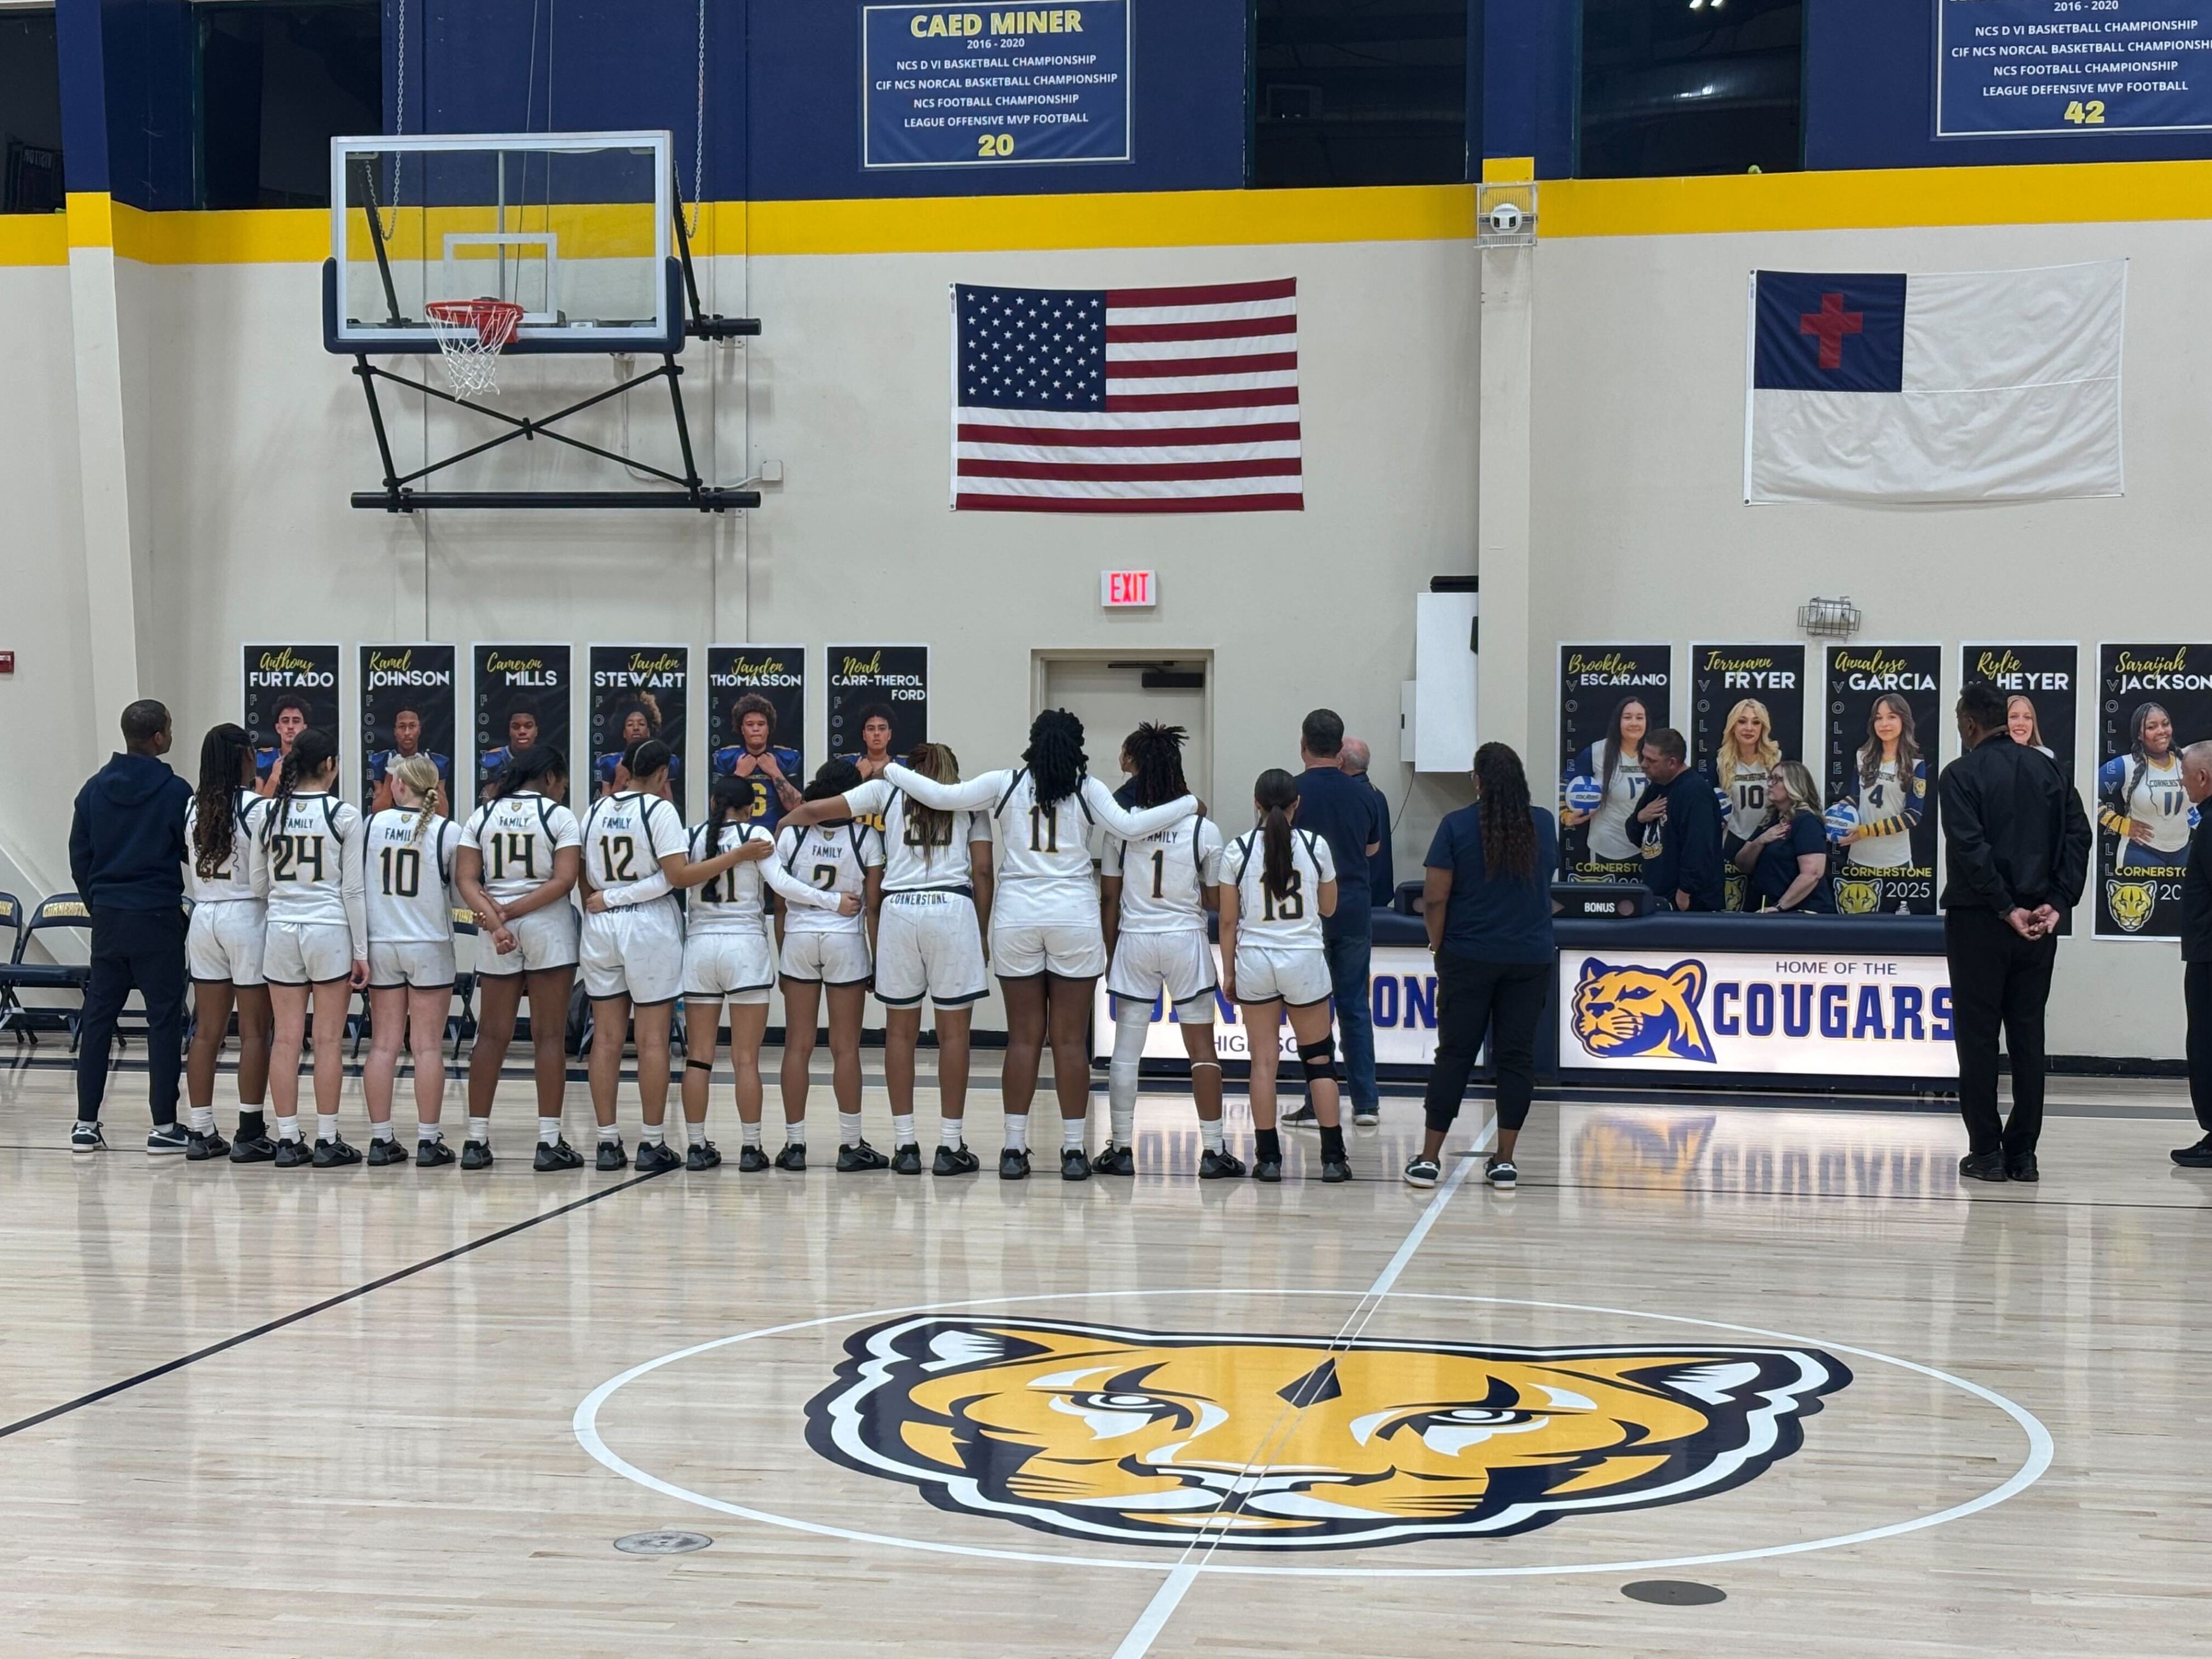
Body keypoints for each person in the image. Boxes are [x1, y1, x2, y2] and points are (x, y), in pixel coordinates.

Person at [861, 710, 1197, 1181]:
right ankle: (1075, 1152)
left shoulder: (1006, 782)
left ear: (1032, 744)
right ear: (1076, 747)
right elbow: (1129, 828)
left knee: (1023, 1039)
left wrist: (889, 770)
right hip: (1074, 918)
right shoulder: (1089, 786)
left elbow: (940, 794)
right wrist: (1188, 804)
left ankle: (1014, 1150)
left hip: (1017, 916)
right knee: (1068, 1042)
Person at [783, 744, 994, 1176]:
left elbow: (814, 811)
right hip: (952, 910)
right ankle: (950, 1145)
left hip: (899, 910)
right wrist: (982, 930)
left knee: (900, 1036)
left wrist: (787, 824)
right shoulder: (970, 801)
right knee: (954, 1036)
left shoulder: (885, 792)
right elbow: (984, 872)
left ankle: (905, 1145)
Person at [576, 740, 754, 1174]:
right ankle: (653, 1142)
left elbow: (581, 872)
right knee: (652, 1039)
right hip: (646, 925)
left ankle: (606, 1142)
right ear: (661, 776)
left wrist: (603, 900)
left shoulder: (594, 810)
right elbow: (674, 877)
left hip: (600, 925)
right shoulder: (659, 811)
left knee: (605, 1038)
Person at [1939, 680, 2091, 1185]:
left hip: (1982, 920)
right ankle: (2024, 1154)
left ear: (1969, 723)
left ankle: (1986, 1153)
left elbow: (1970, 848)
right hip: (2040, 922)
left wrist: (2005, 907)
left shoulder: (1960, 774)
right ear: (2006, 718)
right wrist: (2058, 901)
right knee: (2028, 1034)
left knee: (1979, 1039)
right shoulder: (2049, 768)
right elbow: (2080, 834)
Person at [1403, 743, 1555, 1192]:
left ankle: (1430, 1159)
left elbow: (1434, 896)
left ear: (1478, 780)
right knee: (1516, 1058)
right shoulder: (1543, 823)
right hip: (1529, 955)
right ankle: (1505, 1161)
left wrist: (1437, 944)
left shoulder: (1456, 825)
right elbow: (1544, 882)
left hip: (1468, 956)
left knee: (1454, 1055)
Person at [1098, 724, 1241, 1179]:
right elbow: (1217, 901)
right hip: (1185, 941)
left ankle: (1121, 1150)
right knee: (1202, 1050)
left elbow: (1108, 897)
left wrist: (1110, 950)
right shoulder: (1203, 827)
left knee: (1125, 1054)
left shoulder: (1121, 829)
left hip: (1136, 940)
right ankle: (1214, 1152)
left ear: (1137, 769)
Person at [67, 700, 194, 1154]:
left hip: (110, 920)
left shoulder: (93, 790)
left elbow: (79, 857)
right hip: (158, 917)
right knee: (163, 1021)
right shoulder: (177, 791)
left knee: (98, 1020)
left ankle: (85, 1124)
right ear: (159, 737)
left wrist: (99, 904)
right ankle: (164, 1126)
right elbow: (191, 852)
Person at [455, 745, 581, 1171]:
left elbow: (466, 879)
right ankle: (548, 1144)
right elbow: (565, 881)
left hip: (498, 932)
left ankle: (475, 1141)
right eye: (563, 783)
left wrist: (496, 920)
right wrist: (513, 913)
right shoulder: (559, 817)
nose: (563, 791)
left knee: (490, 1035)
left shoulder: (483, 815)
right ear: (550, 777)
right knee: (549, 1037)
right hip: (547, 926)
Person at [1221, 768, 1349, 1184]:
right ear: (1298, 804)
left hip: (1256, 961)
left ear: (1256, 804)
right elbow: (1328, 909)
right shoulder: (1316, 846)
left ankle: (1269, 1160)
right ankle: (1332, 1159)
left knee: (1263, 1064)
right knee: (1319, 1062)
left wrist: (1229, 974)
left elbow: (1226, 923)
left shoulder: (1236, 851)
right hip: (1305, 962)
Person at [251, 728, 369, 1168]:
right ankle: (326, 1139)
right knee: (327, 1042)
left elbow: (259, 883)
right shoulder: (343, 815)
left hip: (281, 930)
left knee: (284, 1039)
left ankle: (285, 1140)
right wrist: (362, 951)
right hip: (329, 931)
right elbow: (353, 891)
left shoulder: (268, 813)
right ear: (331, 765)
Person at [771, 761, 888, 1171]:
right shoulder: (868, 837)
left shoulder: (793, 834)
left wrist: (783, 953)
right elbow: (872, 906)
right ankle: (851, 1145)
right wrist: (876, 959)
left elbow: (780, 903)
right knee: (845, 1049)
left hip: (800, 938)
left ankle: (794, 1145)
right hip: (846, 941)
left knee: (796, 1048)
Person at [361, 755, 460, 1165]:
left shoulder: (370, 826)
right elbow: (458, 895)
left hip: (381, 943)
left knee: (383, 1046)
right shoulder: (448, 831)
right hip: (430, 945)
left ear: (399, 786)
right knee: (426, 1048)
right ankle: (428, 1140)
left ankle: (381, 1140)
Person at [182, 724, 273, 1160]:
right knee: (256, 1032)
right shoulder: (258, 809)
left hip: (203, 917)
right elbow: (264, 876)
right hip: (246, 915)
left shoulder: (191, 808)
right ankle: (250, 1131)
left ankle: (200, 1132)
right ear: (245, 758)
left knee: (207, 1032)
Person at [1292, 710, 1382, 1128]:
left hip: (1306, 915)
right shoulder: (1366, 795)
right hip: (1352, 910)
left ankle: (1316, 1104)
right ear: (1340, 748)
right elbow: (1372, 851)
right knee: (1354, 1008)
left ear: (1303, 745)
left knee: (1312, 1010)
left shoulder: (1291, 792)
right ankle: (1366, 1103)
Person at [2174, 741, 2212, 1169]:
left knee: (2204, 1043)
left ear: (2202, 778)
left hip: (2208, 955)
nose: (2182, 784)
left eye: (2186, 776)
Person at [1635, 728, 1723, 912]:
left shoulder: (1695, 792)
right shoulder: (1657, 787)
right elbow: (1634, 835)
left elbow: (1699, 847)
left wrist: (1686, 892)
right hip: (1657, 895)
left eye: (1651, 760)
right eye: (1642, 757)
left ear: (1672, 763)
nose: (1643, 764)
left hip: (1690, 901)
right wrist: (1640, 817)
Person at [1559, 695, 1650, 873]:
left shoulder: (1654, 752)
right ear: (1617, 721)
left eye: (1640, 718)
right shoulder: (1598, 751)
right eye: (1627, 717)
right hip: (1605, 847)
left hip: (1646, 847)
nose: (1634, 723)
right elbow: (1564, 782)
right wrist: (1566, 815)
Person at [1841, 694, 1927, 879]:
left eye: (1892, 717)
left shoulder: (1915, 764)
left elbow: (1913, 816)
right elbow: (1856, 798)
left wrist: (1865, 831)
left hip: (1896, 862)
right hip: (1858, 859)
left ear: (1904, 720)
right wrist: (1838, 813)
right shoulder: (1862, 756)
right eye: (1878, 718)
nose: (1884, 724)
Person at [2099, 702, 2191, 872]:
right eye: (2152, 727)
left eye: (2165, 724)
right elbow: (2081, 794)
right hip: (2140, 853)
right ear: (2139, 735)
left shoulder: (2187, 760)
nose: (2162, 731)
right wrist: (2118, 823)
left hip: (2185, 852)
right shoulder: (2124, 766)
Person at [1732, 762, 1835, 914]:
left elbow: (1812, 873)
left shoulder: (1807, 822)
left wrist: (1780, 907)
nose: (1770, 785)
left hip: (1802, 914)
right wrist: (1760, 841)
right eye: (1770, 779)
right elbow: (1742, 864)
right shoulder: (1770, 820)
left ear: (1794, 785)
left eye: (1777, 779)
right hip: (1767, 911)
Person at [713, 692, 802, 832]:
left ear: (769, 728)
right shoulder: (727, 758)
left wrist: (775, 772)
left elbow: (796, 806)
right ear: (742, 729)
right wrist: (738, 776)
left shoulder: (787, 758)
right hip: (736, 835)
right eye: (750, 724)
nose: (756, 729)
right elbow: (717, 808)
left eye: (761, 724)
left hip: (776, 834)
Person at [1340, 737, 1396, 910]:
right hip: (1379, 890)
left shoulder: (1349, 798)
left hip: (1355, 894)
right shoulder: (1377, 794)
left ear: (1340, 762)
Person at [368, 706, 452, 813]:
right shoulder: (380, 761)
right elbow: (378, 812)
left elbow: (443, 813)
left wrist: (427, 775)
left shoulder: (437, 762)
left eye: (412, 726)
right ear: (395, 731)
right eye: (402, 727)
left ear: (419, 729)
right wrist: (391, 774)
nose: (407, 733)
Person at [593, 695, 678, 800]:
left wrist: (656, 773)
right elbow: (604, 808)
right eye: (630, 725)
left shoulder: (667, 760)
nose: (636, 728)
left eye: (641, 724)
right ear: (624, 733)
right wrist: (620, 779)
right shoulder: (609, 762)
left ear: (648, 731)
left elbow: (669, 804)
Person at [476, 696, 541, 791]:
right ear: (509, 730)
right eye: (516, 727)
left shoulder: (545, 759)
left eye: (528, 726)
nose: (522, 731)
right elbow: (487, 802)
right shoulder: (492, 759)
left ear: (536, 731)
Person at [253, 694, 310, 795]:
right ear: (278, 728)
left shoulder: (312, 759)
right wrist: (274, 777)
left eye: (296, 721)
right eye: (285, 721)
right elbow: (258, 806)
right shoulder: (262, 758)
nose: (290, 726)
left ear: (304, 728)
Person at [2008, 695, 2055, 759]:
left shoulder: (2046, 756)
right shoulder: (1991, 756)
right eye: (2014, 717)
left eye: (2027, 717)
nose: (2021, 723)